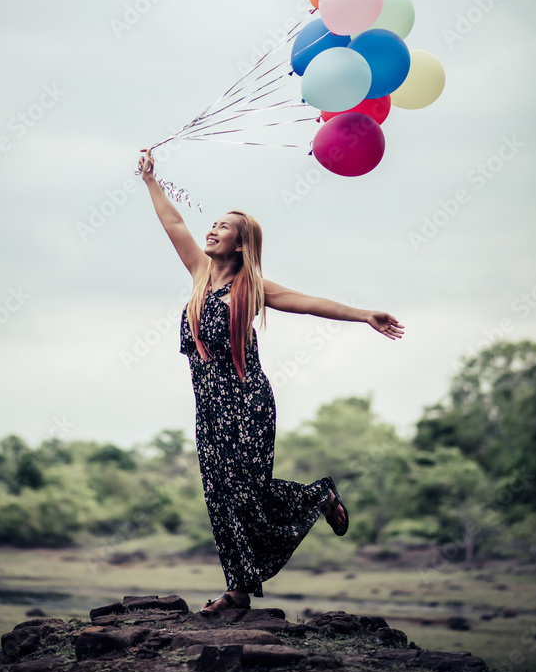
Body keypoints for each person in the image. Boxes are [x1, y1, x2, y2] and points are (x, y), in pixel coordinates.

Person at [138, 146, 404, 613]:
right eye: (214, 223)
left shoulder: (253, 287)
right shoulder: (200, 275)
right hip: (209, 409)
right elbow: (174, 225)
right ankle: (237, 591)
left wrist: (364, 315)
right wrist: (150, 181)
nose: (212, 229)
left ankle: (319, 495)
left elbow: (311, 302)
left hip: (248, 404)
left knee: (248, 491)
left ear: (241, 244)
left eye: (224, 227)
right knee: (220, 496)